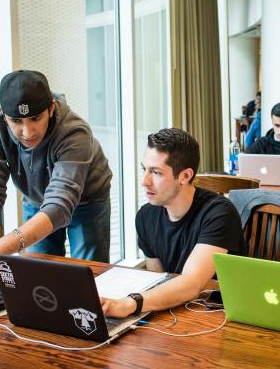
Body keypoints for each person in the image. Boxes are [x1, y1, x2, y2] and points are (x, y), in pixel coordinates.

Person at [0, 70, 113, 285]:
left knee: (88, 280)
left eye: (36, 118)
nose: (27, 132)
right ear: (4, 116)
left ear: (51, 108)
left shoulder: (74, 132)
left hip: (86, 200)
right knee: (39, 279)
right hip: (37, 199)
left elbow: (58, 206)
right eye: (16, 121)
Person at [100, 128, 247, 318]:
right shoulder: (145, 216)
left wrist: (129, 303)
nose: (145, 181)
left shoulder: (219, 213)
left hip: (219, 315)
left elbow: (192, 284)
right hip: (174, 311)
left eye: (156, 172)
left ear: (185, 176)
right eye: (144, 169)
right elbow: (158, 281)